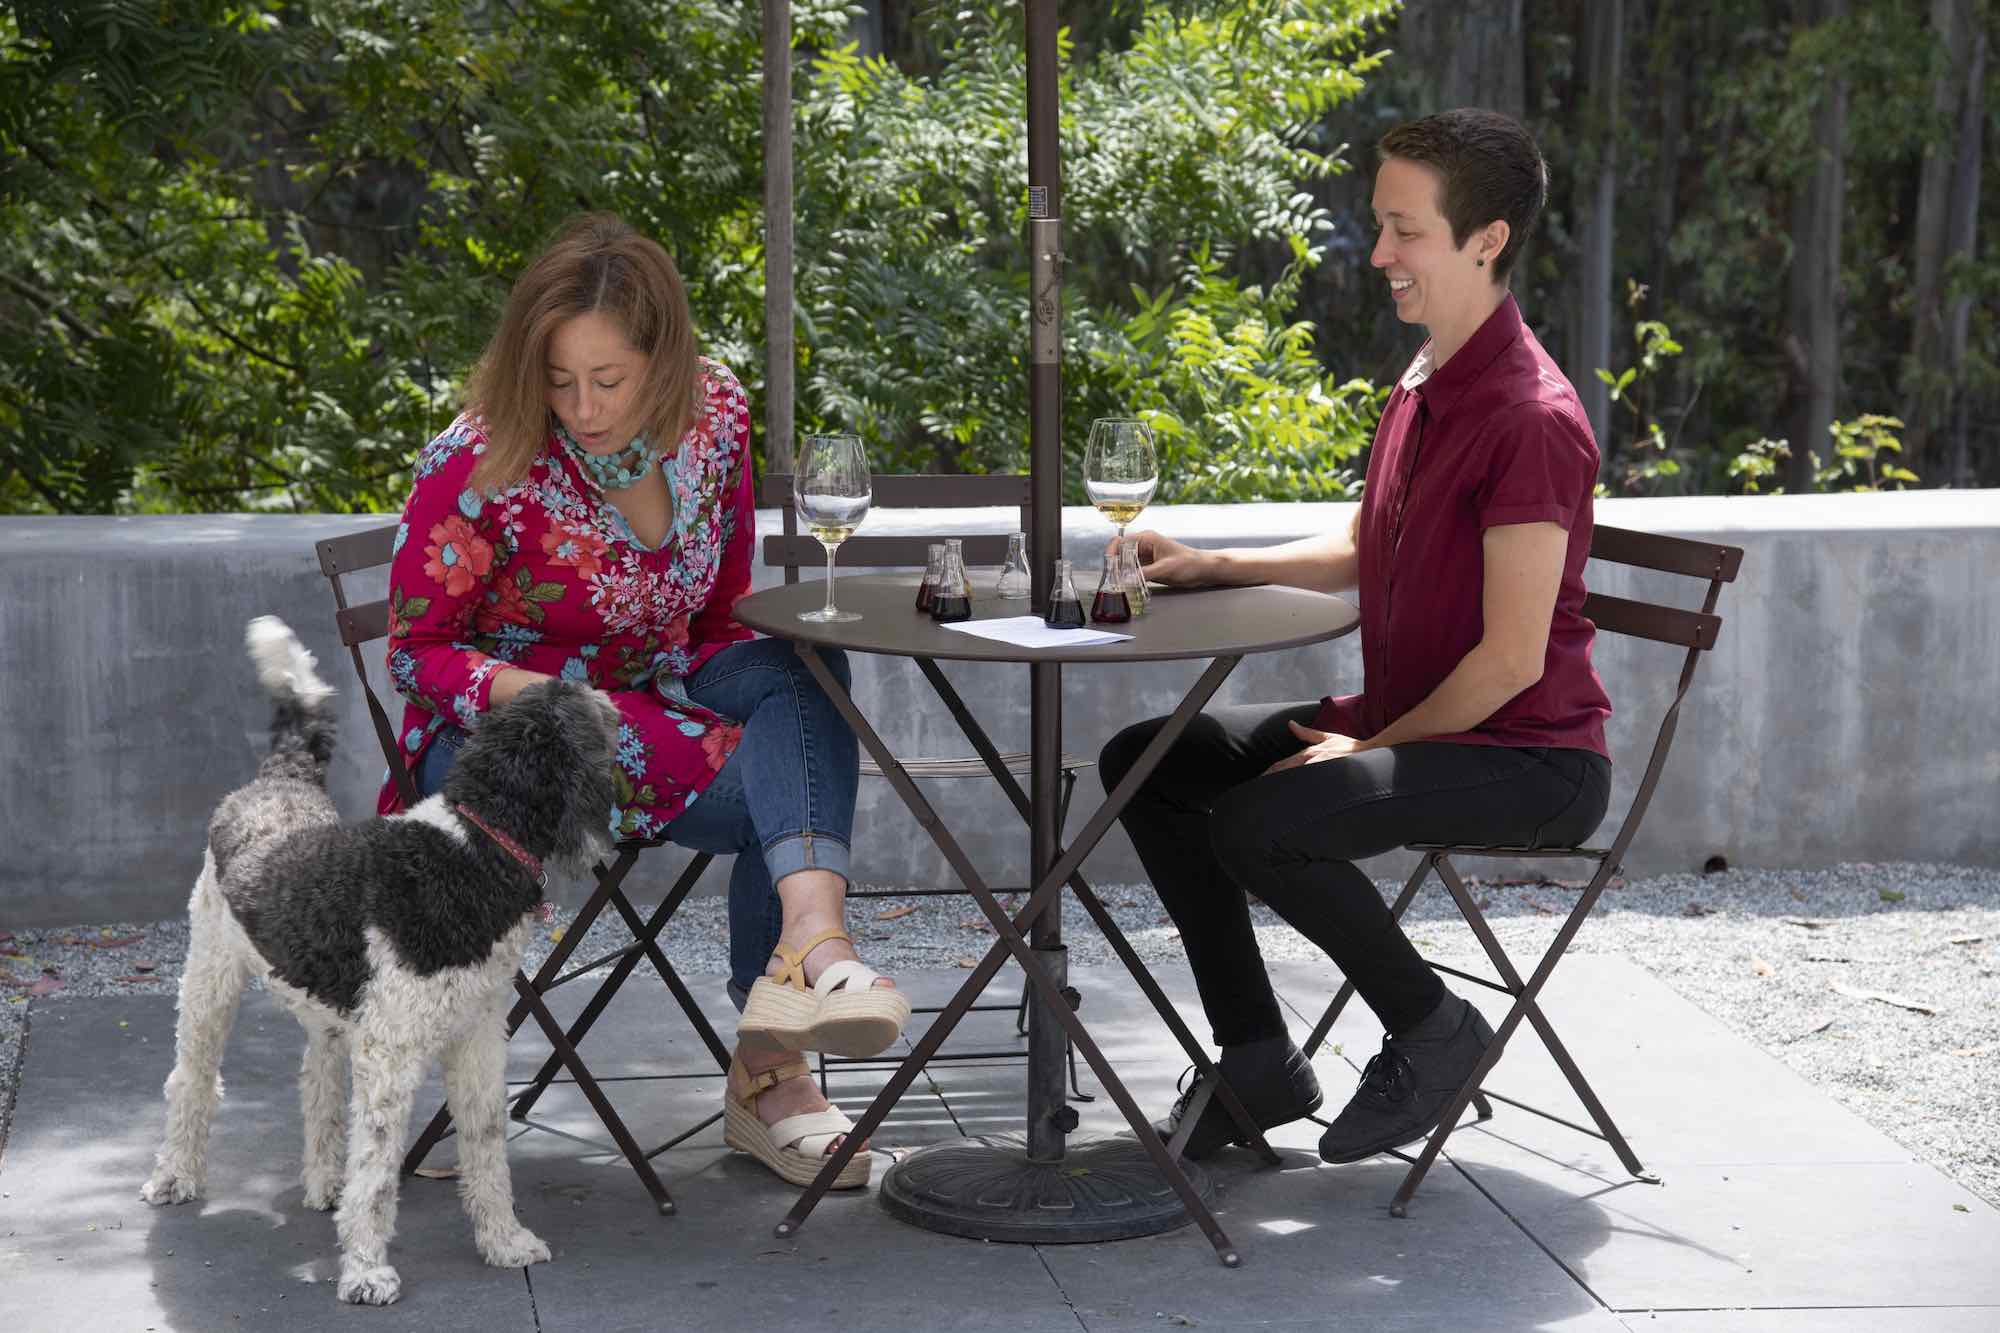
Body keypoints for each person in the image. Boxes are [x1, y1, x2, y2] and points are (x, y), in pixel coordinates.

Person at [1103, 109, 1614, 1166]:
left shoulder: (1527, 418)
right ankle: (1256, 1057)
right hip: (1419, 728)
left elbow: (1511, 662)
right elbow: (1363, 536)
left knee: (1258, 820)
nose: (1378, 254)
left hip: (1523, 755)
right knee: (1147, 761)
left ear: (1487, 239)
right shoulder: (1427, 380)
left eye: (1404, 230)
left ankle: (1434, 1032)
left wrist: (1375, 752)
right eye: (1377, 225)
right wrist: (1213, 563)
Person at [379, 212, 908, 1188]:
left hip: (662, 686)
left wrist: (706, 685)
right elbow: (416, 653)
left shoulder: (714, 420)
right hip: (502, 738)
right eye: (557, 378)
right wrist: (544, 693)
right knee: (780, 779)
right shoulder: (479, 457)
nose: (580, 406)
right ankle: (782, 1049)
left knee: (814, 677)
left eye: (608, 380)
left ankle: (803, 948)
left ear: (661, 361)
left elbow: (717, 614)